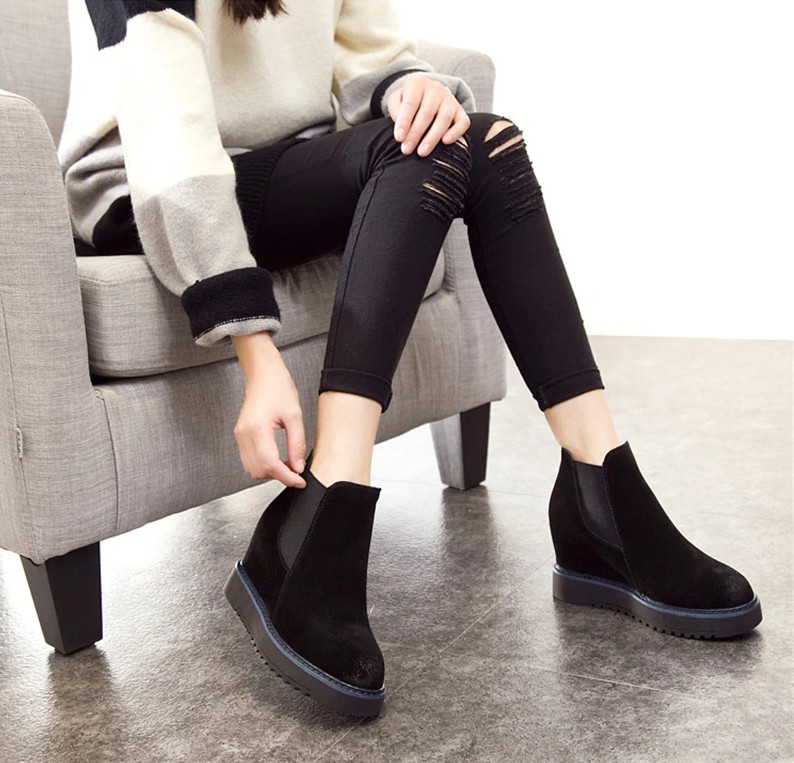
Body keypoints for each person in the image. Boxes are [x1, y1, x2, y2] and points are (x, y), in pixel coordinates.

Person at [59, 0, 762, 718]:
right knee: (415, 154)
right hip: (149, 186)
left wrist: (409, 88)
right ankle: (328, 494)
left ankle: (599, 487)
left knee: (486, 140)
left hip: (284, 164)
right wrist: (255, 352)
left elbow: (369, 49)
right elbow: (168, 130)